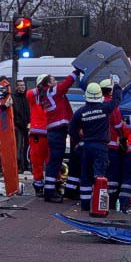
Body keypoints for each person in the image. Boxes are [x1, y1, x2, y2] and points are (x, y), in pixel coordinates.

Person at [68, 77, 122, 212]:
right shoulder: (105, 108)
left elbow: (71, 129)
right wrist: (116, 85)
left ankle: (85, 205)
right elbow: (116, 100)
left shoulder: (80, 112)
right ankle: (99, 206)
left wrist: (79, 140)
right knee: (100, 175)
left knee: (85, 175)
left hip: (87, 146)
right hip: (101, 147)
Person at [38, 69, 81, 202]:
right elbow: (66, 84)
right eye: (53, 80)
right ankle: (49, 193)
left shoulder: (46, 94)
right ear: (48, 83)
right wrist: (76, 72)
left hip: (56, 130)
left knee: (55, 161)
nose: (56, 82)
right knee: (55, 162)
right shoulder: (52, 92)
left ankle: (51, 190)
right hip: (57, 130)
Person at [101, 78, 127, 207]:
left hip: (100, 145)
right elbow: (118, 125)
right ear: (111, 91)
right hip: (112, 145)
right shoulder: (112, 106)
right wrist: (123, 138)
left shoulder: (96, 104)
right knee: (113, 175)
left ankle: (99, 199)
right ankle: (110, 202)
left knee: (100, 173)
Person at [26, 74, 50, 197]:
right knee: (37, 162)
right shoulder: (34, 97)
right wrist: (41, 88)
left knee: (51, 161)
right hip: (37, 135)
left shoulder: (51, 96)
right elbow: (29, 94)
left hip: (50, 134)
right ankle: (39, 185)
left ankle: (53, 185)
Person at [12, 79, 31, 174]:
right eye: (20, 85)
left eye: (23, 85)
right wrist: (16, 123)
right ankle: (19, 166)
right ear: (17, 87)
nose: (22, 87)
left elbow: (30, 111)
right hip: (18, 125)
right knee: (19, 146)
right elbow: (14, 112)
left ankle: (27, 165)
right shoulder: (14, 97)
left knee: (27, 147)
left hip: (28, 125)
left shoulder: (28, 96)